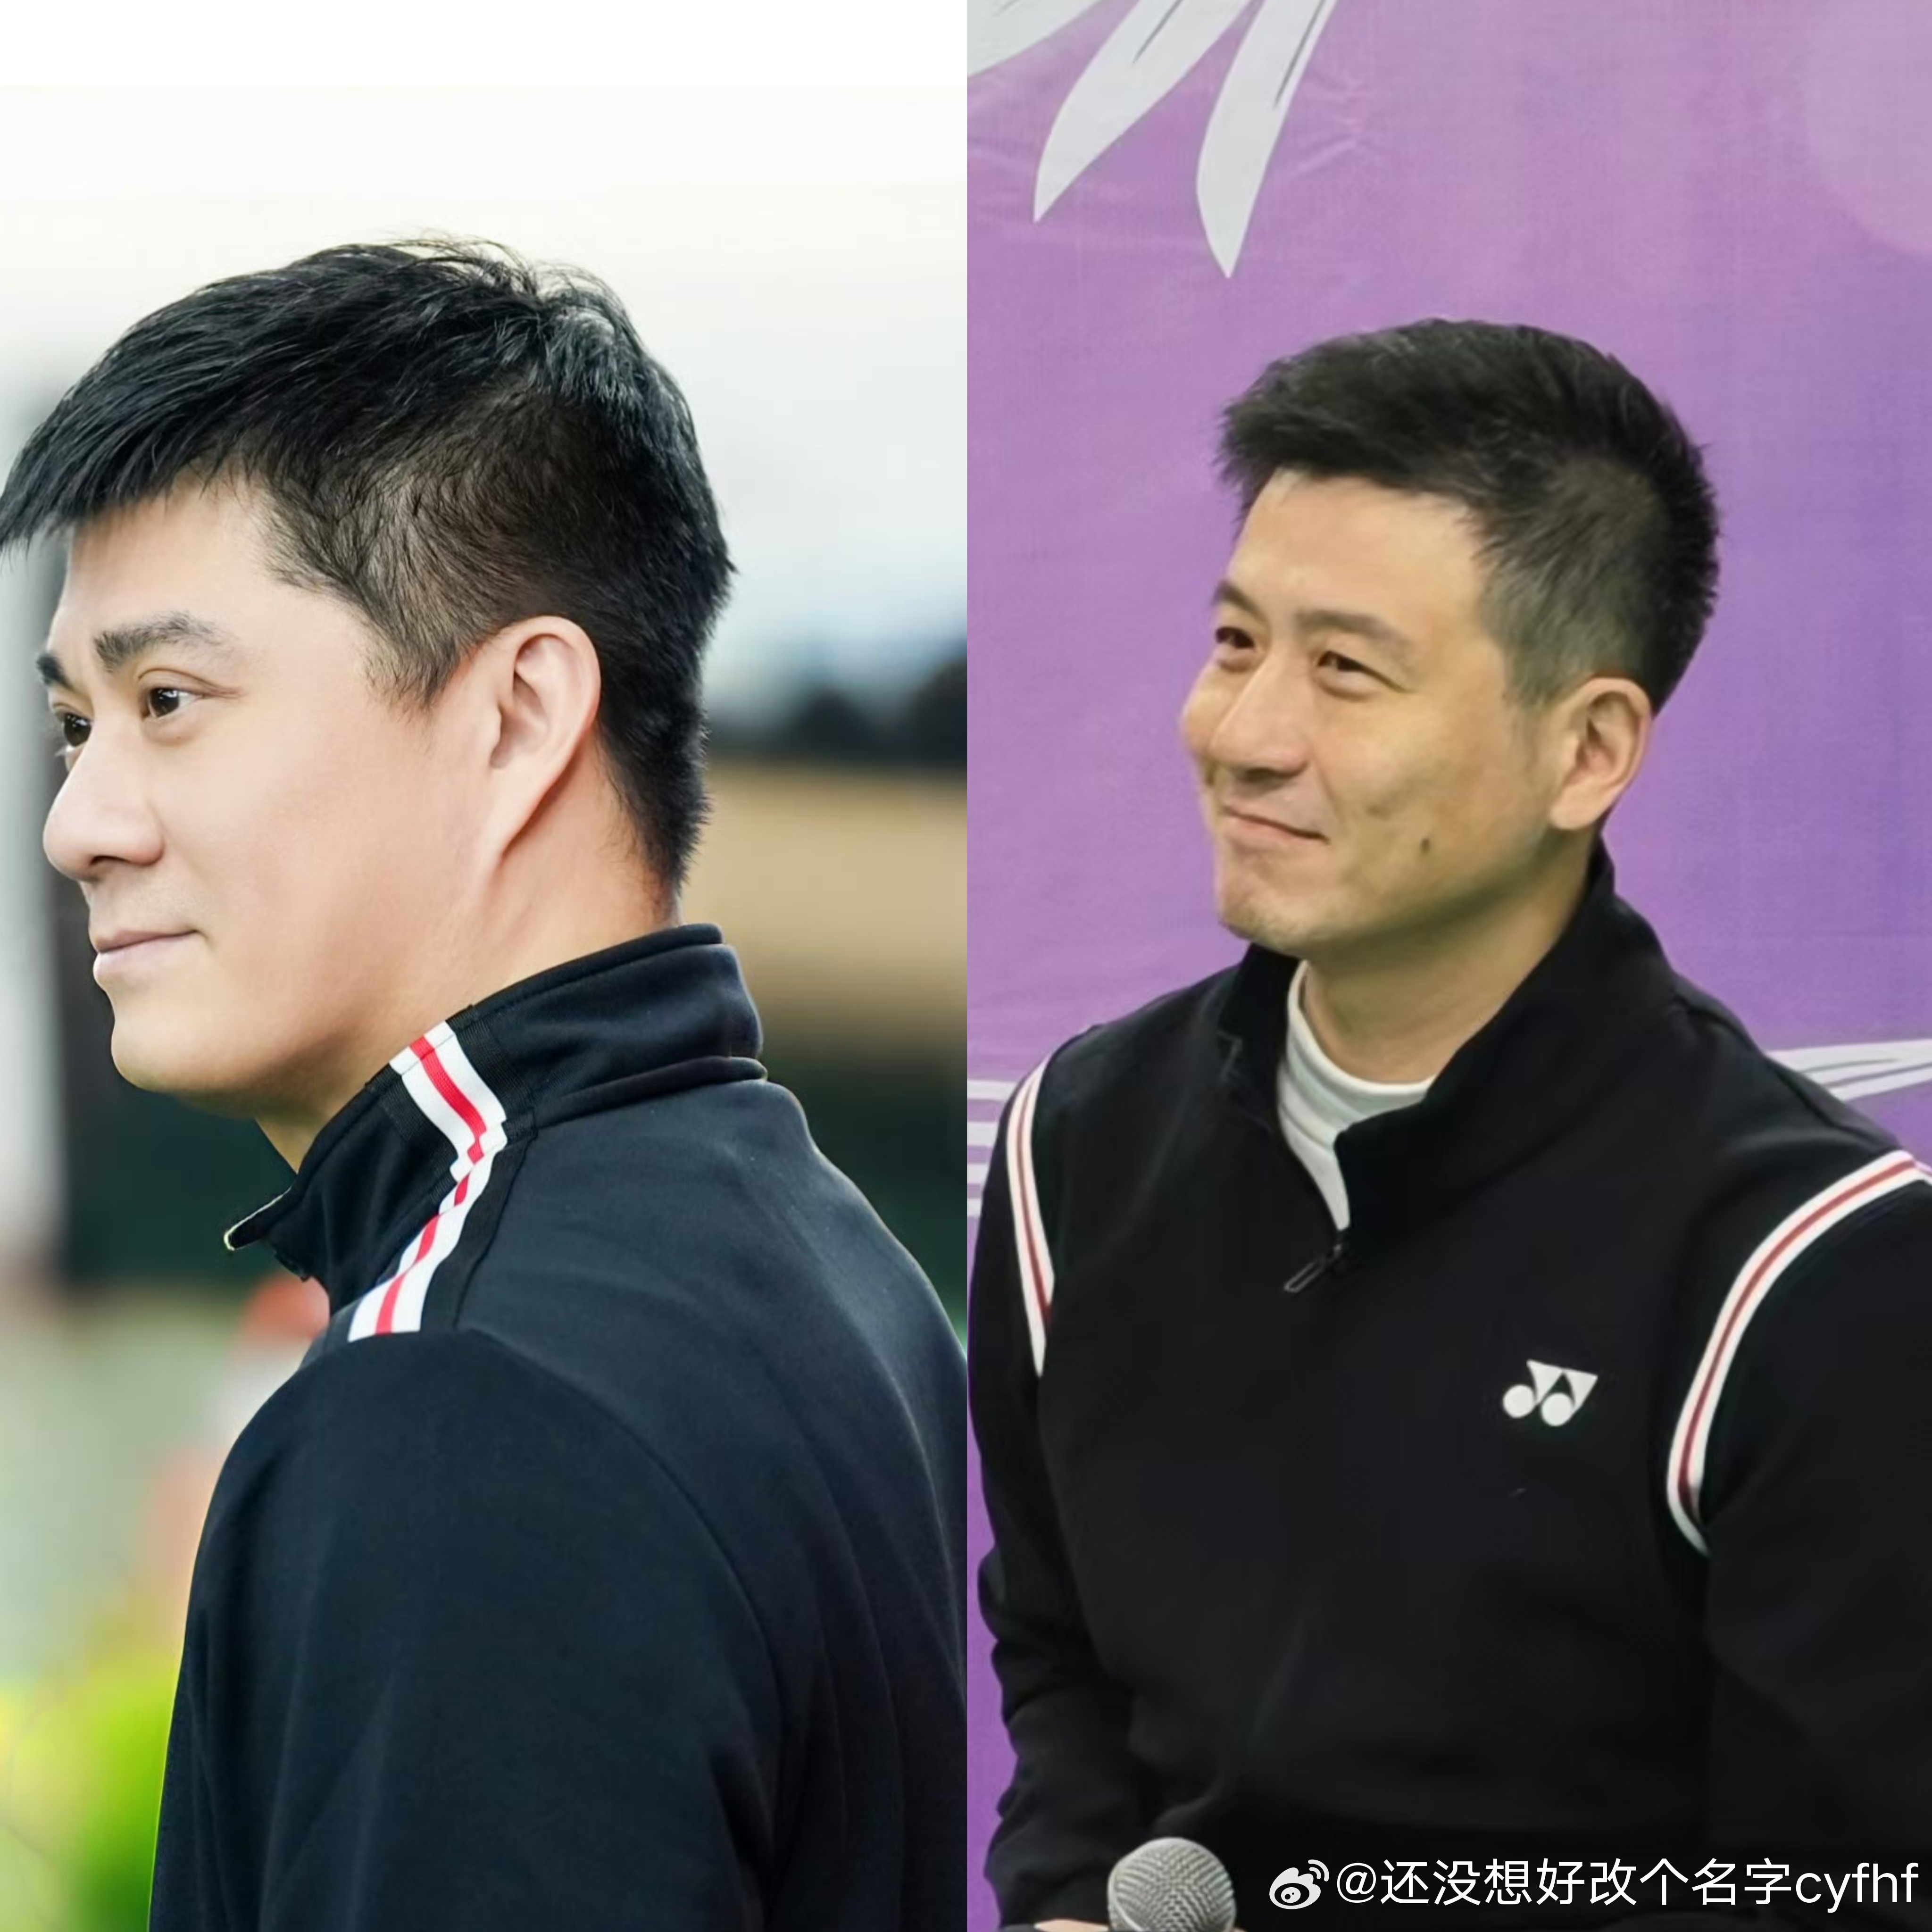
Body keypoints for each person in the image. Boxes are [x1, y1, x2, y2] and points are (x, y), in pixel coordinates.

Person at [0, 239, 965, 1931]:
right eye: (78, 724)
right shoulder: (840, 1266)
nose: (80, 822)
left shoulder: (454, 1404)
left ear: (518, 717)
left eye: (171, 700)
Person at [971, 321, 1932, 1930]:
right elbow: (1064, 1661)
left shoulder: (1807, 1268)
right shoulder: (1077, 1143)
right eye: (1234, 642)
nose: (1245, 732)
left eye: (1346, 671)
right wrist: (1070, 1895)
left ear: (1588, 750)